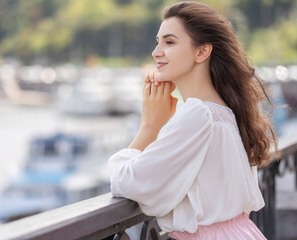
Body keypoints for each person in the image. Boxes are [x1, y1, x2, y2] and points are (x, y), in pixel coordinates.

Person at [108, 1, 279, 239]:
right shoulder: (223, 112)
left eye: (169, 42)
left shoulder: (199, 115)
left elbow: (130, 184)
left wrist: (149, 127)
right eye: (158, 42)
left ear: (202, 52)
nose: (156, 52)